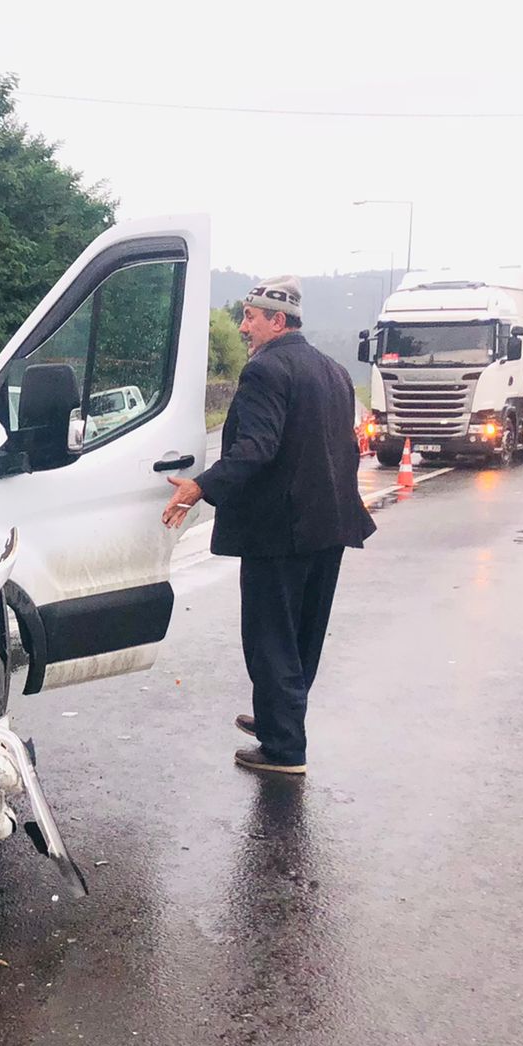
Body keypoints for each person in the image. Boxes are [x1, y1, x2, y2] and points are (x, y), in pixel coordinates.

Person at [160, 277, 376, 777]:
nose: (243, 326)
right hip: (330, 526)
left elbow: (255, 449)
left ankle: (283, 749)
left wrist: (200, 487)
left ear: (278, 321)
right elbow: (347, 449)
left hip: (279, 531)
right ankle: (280, 720)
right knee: (303, 636)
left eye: (251, 317)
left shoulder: (266, 371)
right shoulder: (335, 371)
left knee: (270, 637)